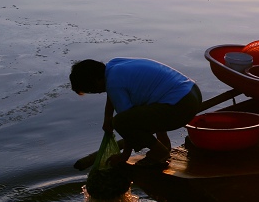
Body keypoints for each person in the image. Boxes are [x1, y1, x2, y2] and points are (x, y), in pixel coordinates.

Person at [70, 58, 202, 168]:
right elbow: (112, 92)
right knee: (145, 107)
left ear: (96, 81)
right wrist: (107, 116)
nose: (98, 93)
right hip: (192, 92)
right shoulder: (113, 65)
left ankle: (160, 152)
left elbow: (127, 123)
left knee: (121, 122)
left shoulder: (113, 84)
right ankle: (164, 143)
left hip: (180, 105)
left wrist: (124, 156)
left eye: (93, 90)